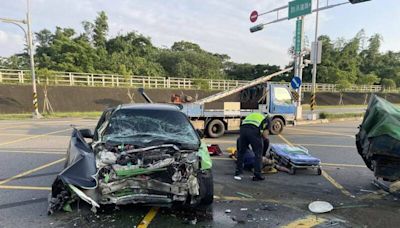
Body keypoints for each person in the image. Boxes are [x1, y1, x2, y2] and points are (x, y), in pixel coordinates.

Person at [235, 113, 270, 181]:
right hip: (254, 131)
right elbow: (265, 135)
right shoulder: (267, 119)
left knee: (241, 152)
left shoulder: (253, 115)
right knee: (258, 154)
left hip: (243, 129)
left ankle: (238, 172)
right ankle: (257, 175)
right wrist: (262, 141)